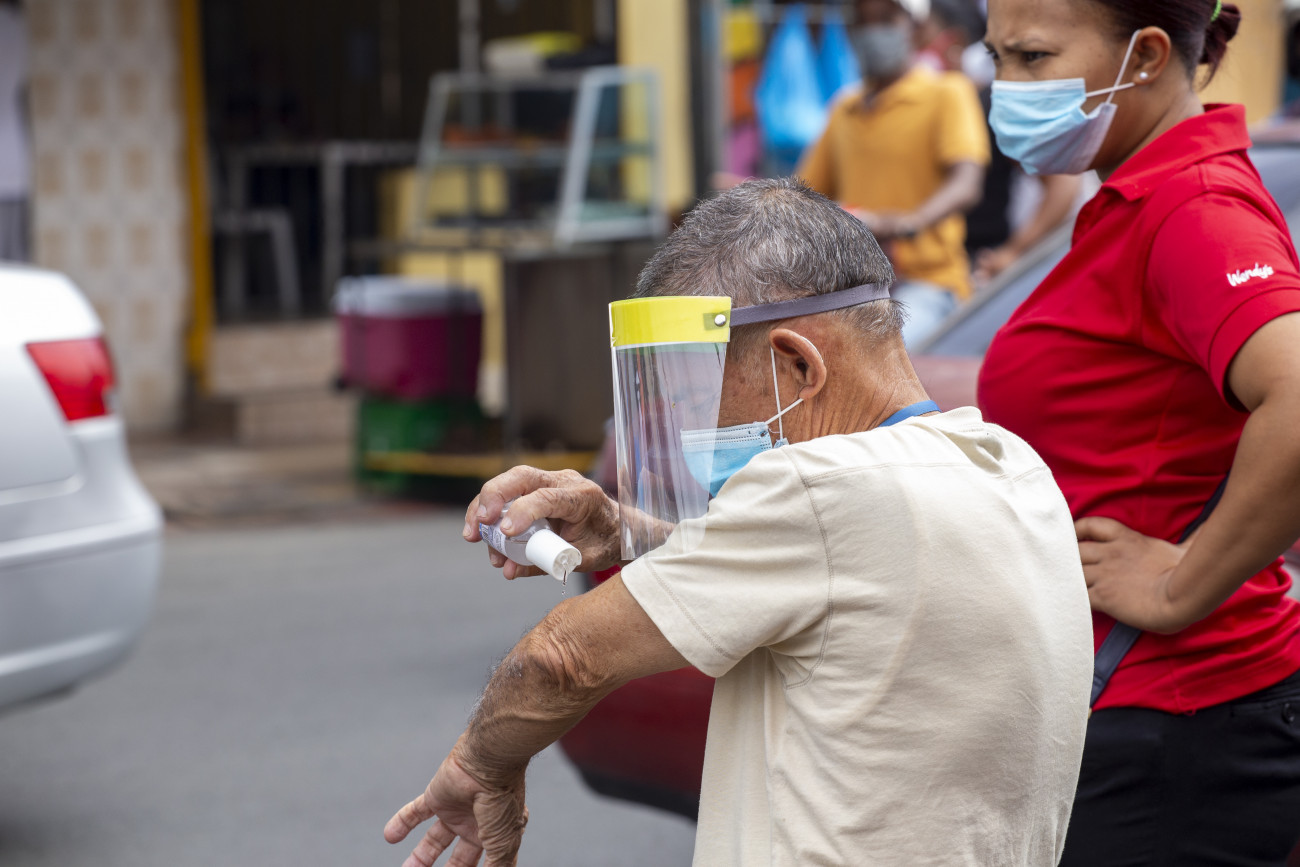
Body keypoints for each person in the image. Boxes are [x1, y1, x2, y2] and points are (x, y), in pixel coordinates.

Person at [384, 178, 1094, 867]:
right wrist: (631, 532)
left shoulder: (824, 488)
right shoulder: (1007, 467)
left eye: (700, 394)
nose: (693, 428)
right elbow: (831, 585)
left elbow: (562, 658)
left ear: (797, 364)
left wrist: (479, 767)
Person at [978, 0, 1300, 863]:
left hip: (1177, 723)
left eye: (1033, 57)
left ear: (1148, 55)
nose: (1006, 86)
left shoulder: (1194, 207)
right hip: (1123, 709)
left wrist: (1179, 586)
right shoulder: (1135, 195)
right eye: (996, 56)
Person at [797, 0, 989, 349]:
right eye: (862, 22)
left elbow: (966, 183)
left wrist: (909, 221)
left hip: (928, 283)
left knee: (876, 351)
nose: (873, 32)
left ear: (914, 28)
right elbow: (803, 194)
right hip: (853, 287)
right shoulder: (844, 108)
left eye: (886, 20)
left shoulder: (947, 92)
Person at [0, 0, 29, 262]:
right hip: (13, 164)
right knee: (15, 263)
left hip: (10, 166)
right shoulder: (16, 25)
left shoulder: (11, 26)